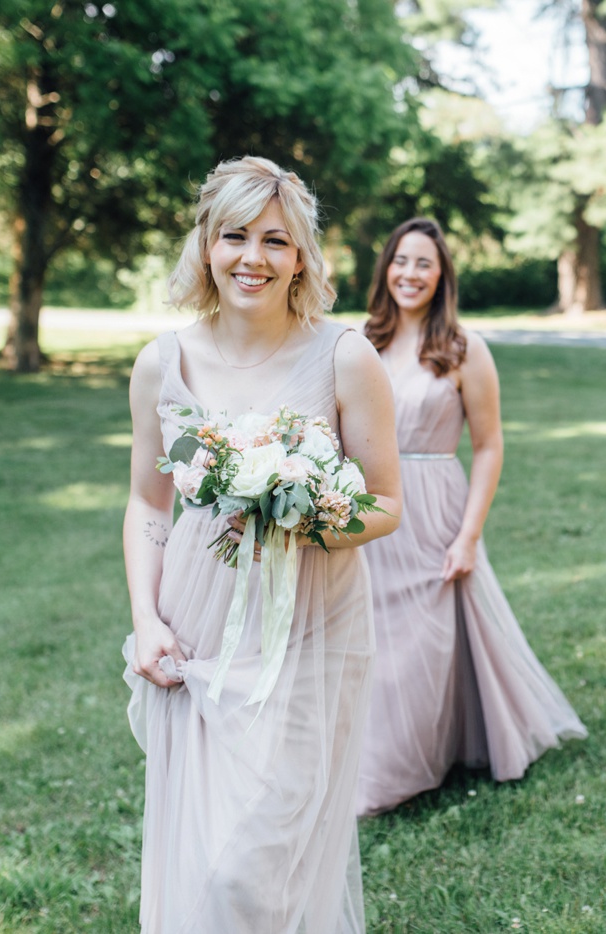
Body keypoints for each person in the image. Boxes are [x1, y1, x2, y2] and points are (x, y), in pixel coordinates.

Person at [121, 156, 402, 932]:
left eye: (275, 241)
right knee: (200, 854)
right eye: (235, 236)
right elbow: (148, 502)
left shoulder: (346, 357)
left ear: (302, 255)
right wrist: (147, 618)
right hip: (195, 628)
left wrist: (306, 513)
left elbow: (384, 505)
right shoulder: (161, 365)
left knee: (254, 865)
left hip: (308, 632)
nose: (254, 258)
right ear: (206, 245)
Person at [355, 217, 586, 815]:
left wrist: (469, 535)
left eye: (424, 264)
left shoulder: (463, 349)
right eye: (401, 260)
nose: (410, 273)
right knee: (370, 645)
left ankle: (403, 772)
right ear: (386, 268)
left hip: (434, 510)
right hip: (368, 508)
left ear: (442, 275)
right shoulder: (360, 343)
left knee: (424, 649)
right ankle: (370, 760)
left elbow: (488, 446)